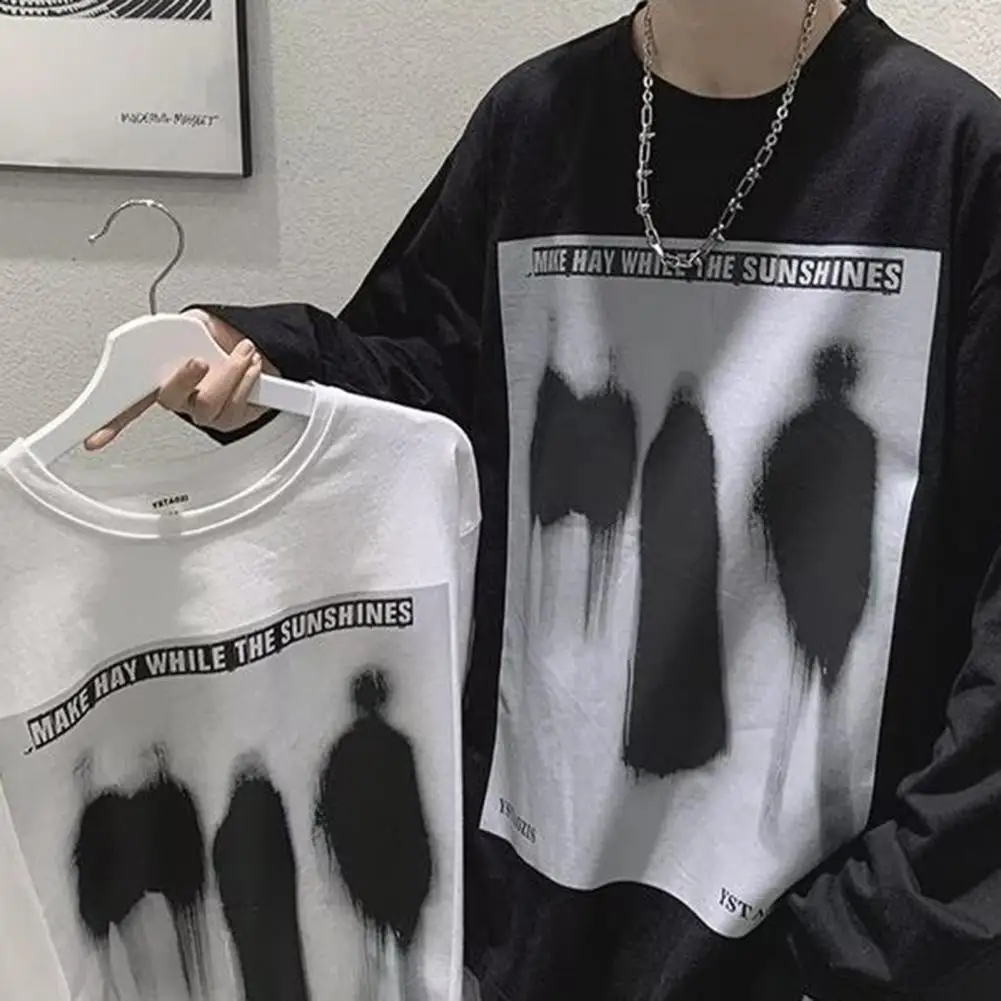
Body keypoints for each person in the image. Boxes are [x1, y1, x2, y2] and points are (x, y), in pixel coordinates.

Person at [88, 1, 1001, 998]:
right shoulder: (534, 122)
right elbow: (432, 379)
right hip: (536, 921)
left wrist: (879, 931)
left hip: (807, 945)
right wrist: (264, 367)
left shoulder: (950, 155)